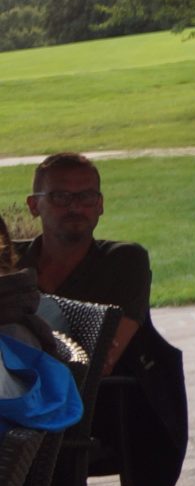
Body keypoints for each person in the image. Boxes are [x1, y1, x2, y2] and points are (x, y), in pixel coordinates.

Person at [25, 153, 148, 370]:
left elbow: (99, 364)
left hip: (92, 391)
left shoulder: (122, 261)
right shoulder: (10, 263)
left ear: (100, 204)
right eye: (60, 197)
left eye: (87, 197)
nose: (75, 207)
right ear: (34, 205)